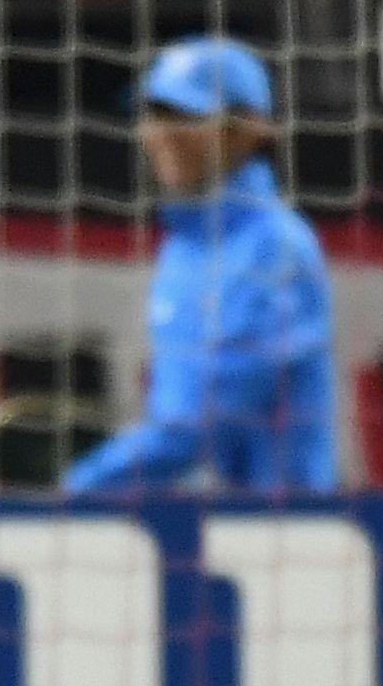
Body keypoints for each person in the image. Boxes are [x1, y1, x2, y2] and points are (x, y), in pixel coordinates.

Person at [60, 35, 339, 495]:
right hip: (201, 528)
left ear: (249, 129)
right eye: (155, 114)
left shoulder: (277, 246)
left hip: (286, 532)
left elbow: (202, 422)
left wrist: (80, 487)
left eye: (187, 115)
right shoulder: (181, 247)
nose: (162, 132)